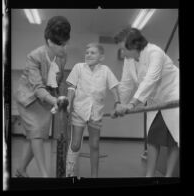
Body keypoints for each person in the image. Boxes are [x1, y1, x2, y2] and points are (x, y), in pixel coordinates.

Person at [114, 28, 179, 177]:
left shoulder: (155, 53)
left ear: (135, 46)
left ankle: (168, 176)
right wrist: (120, 104)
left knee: (174, 138)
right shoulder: (129, 60)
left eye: (123, 49)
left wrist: (131, 105)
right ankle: (149, 175)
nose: (122, 53)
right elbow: (126, 84)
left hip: (173, 96)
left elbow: (151, 79)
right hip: (153, 99)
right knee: (153, 137)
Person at [14, 16, 71, 177]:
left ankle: (21, 170)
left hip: (47, 99)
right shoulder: (34, 56)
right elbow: (38, 88)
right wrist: (55, 100)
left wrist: (61, 98)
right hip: (29, 99)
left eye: (65, 43)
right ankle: (45, 176)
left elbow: (59, 80)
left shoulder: (62, 55)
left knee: (35, 136)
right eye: (59, 44)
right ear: (48, 40)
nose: (63, 47)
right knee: (37, 134)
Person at [65, 43, 122, 178]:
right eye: (87, 52)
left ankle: (94, 176)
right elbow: (72, 88)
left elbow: (114, 87)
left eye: (93, 53)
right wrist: (69, 103)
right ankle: (69, 174)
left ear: (101, 57)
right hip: (79, 111)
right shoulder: (79, 67)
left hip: (96, 113)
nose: (88, 55)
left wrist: (117, 103)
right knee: (75, 143)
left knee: (95, 145)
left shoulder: (105, 70)